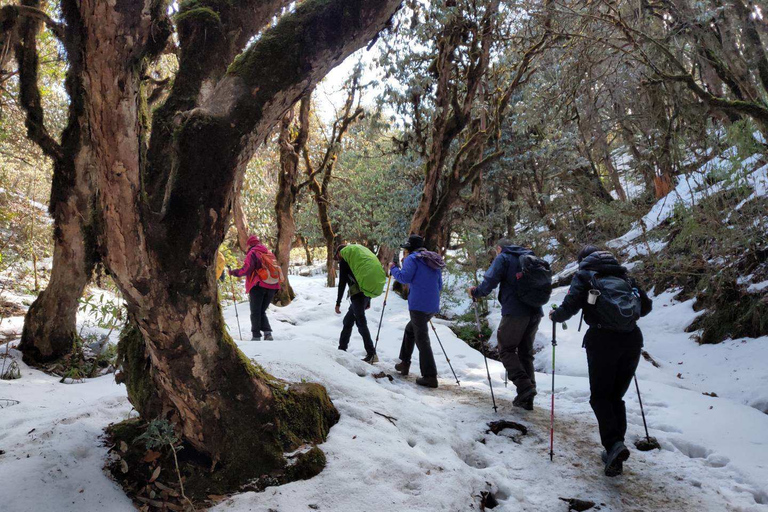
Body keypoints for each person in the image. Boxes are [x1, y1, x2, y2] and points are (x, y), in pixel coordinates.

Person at [550, 245, 652, 477]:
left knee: (600, 397)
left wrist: (555, 316)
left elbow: (569, 308)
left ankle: (614, 445)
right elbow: (645, 308)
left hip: (602, 340)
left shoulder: (585, 276)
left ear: (583, 260)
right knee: (615, 397)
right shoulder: (624, 276)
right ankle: (616, 447)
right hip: (632, 340)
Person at [468, 240, 543, 411]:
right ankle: (527, 398)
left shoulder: (504, 258)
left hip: (515, 312)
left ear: (499, 248)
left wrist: (475, 292)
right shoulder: (531, 257)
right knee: (525, 353)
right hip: (535, 312)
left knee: (506, 349)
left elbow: (490, 280)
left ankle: (525, 387)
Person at [389, 234, 445, 388]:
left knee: (422, 339)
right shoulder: (433, 258)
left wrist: (393, 269)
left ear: (410, 248)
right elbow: (440, 285)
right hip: (432, 305)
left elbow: (404, 278)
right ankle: (404, 363)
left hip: (418, 305)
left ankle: (430, 376)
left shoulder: (412, 259)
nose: (405, 252)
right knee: (410, 330)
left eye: (406, 249)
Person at [228, 236, 281, 341]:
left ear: (249, 244)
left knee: (255, 312)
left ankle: (256, 336)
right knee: (261, 311)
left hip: (258, 286)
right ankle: (268, 333)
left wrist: (234, 272)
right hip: (273, 286)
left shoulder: (253, 253)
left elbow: (246, 269)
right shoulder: (269, 253)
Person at [335, 244, 378, 363]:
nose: (338, 257)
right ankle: (341, 349)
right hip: (363, 295)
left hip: (357, 297)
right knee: (348, 321)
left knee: (361, 323)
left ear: (340, 253)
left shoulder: (345, 262)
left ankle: (372, 353)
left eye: (337, 254)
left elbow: (342, 283)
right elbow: (365, 280)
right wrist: (368, 299)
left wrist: (338, 303)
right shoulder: (357, 263)